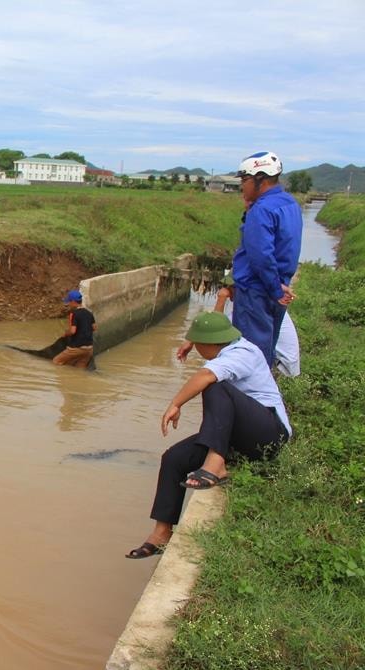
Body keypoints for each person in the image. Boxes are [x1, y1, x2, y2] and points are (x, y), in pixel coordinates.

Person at [126, 312, 291, 559]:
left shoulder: (244, 353)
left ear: (210, 344)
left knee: (214, 386)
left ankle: (215, 464)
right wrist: (192, 343)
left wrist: (175, 404)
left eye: (197, 344)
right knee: (174, 458)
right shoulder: (226, 350)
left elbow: (205, 377)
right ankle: (162, 532)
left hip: (269, 433)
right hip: (239, 436)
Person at [231, 151, 302, 366]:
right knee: (266, 348)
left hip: (257, 291)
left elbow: (261, 255)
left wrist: (274, 289)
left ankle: (252, 398)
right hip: (277, 287)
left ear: (260, 179)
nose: (242, 187)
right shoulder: (289, 204)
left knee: (250, 354)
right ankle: (264, 394)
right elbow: (286, 247)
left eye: (245, 180)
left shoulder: (261, 210)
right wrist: (279, 288)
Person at [213, 276, 300, 377]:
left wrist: (221, 299)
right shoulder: (260, 302)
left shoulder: (253, 308)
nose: (227, 290)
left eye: (230, 287)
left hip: (282, 369)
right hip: (284, 365)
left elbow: (215, 335)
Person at [52, 289, 97, 367]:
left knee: (56, 361)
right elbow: (94, 328)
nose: (68, 304)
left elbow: (73, 331)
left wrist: (66, 333)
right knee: (79, 369)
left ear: (73, 301)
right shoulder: (89, 313)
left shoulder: (74, 314)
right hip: (89, 349)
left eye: (69, 302)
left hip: (76, 348)